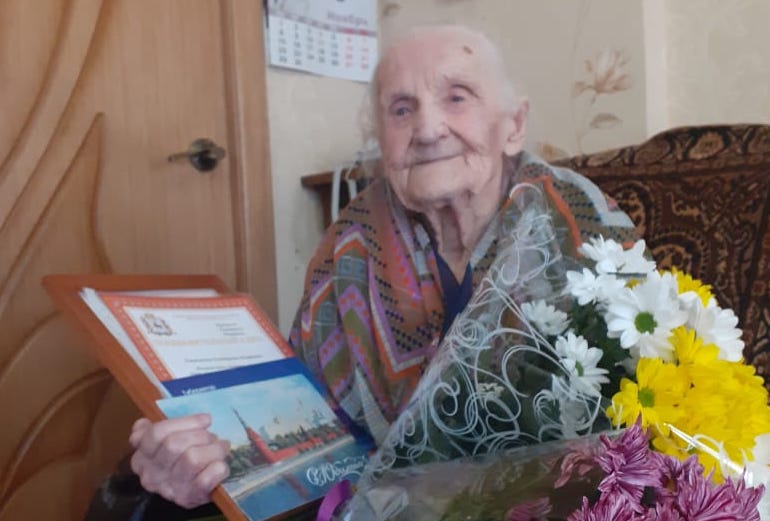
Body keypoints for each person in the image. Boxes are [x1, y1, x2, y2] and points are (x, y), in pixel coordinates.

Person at [124, 24, 636, 516]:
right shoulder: (349, 247)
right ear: (382, 142)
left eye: (457, 97)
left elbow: (641, 417)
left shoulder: (580, 222)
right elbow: (311, 431)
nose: (428, 130)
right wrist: (210, 460)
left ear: (514, 125)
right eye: (401, 109)